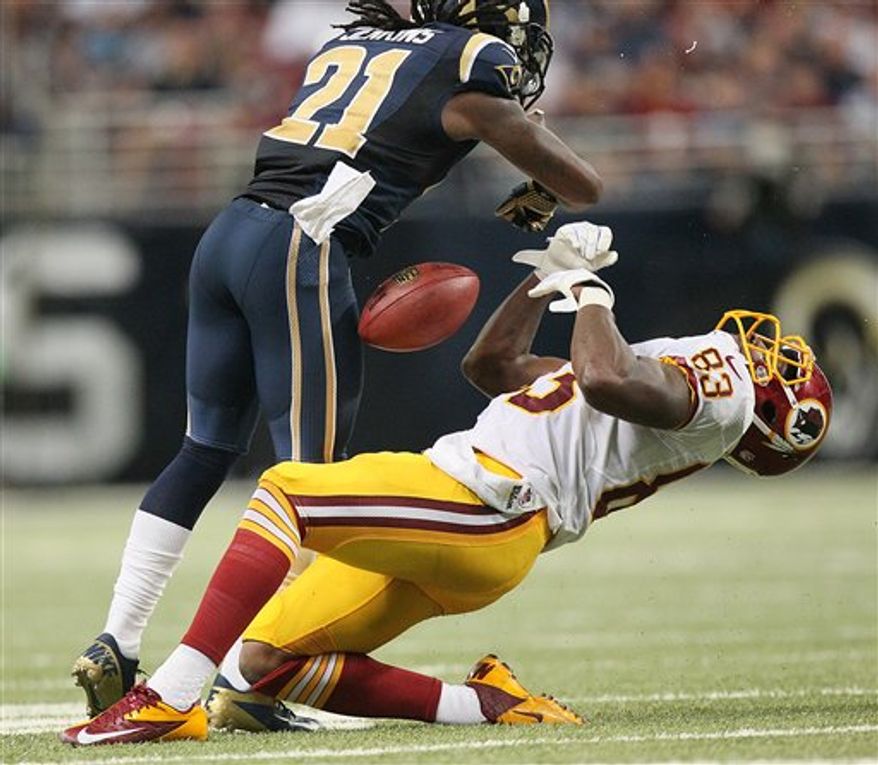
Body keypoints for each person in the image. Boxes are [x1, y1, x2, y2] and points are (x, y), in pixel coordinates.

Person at [61, 220, 832, 745]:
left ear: (761, 422)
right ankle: (487, 703)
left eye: (783, 376)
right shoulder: (657, 409)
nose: (769, 354)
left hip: (488, 500)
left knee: (287, 491)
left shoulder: (720, 398)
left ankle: (169, 695)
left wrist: (591, 290)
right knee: (263, 667)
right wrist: (548, 278)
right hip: (484, 523)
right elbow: (490, 368)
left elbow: (602, 374)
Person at [71, 0, 605, 729]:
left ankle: (118, 642)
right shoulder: (473, 66)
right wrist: (547, 183)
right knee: (316, 491)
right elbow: (586, 186)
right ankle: (238, 682)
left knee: (204, 448)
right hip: (299, 246)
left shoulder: (362, 42)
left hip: (228, 236)